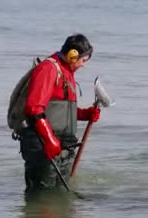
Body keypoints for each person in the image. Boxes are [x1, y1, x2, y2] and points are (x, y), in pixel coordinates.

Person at [19, 33, 101, 193]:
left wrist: (85, 114)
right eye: (83, 60)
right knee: (42, 196)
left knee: (58, 201)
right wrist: (49, 139)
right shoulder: (48, 69)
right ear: (72, 55)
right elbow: (33, 108)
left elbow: (59, 110)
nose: (83, 65)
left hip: (62, 149)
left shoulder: (66, 72)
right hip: (43, 148)